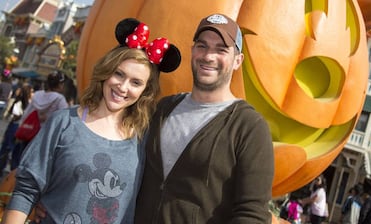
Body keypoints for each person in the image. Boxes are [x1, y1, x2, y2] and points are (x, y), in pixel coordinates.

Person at [0, 17, 181, 224]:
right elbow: (26, 190)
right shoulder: (63, 123)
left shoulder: (144, 138)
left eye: (136, 82)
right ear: (106, 72)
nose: (122, 87)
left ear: (144, 91)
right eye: (118, 74)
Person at [134, 13, 275, 223]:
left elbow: (252, 214)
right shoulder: (164, 108)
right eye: (202, 46)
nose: (208, 56)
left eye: (221, 49)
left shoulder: (249, 127)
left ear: (238, 60)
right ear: (192, 51)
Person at [10, 71, 69, 170]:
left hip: (29, 131)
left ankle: (14, 178)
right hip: (45, 136)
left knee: (21, 158)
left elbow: (27, 112)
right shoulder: (60, 99)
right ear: (59, 84)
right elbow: (65, 118)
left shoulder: (37, 95)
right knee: (34, 165)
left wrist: (21, 127)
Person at [0, 84, 33, 177]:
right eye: (32, 92)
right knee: (9, 149)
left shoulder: (31, 103)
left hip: (18, 127)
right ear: (28, 93)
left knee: (12, 150)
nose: (33, 93)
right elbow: (15, 115)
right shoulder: (21, 104)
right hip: (16, 127)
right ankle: (8, 170)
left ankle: (11, 172)